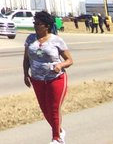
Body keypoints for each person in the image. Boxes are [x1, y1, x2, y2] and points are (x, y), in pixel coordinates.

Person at [23, 10, 73, 144]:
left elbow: (69, 60)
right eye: (34, 23)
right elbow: (26, 59)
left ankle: (56, 138)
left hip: (56, 78)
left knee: (54, 108)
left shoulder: (57, 40)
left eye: (38, 23)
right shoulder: (30, 39)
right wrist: (25, 74)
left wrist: (60, 65)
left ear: (46, 26)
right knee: (45, 110)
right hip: (37, 80)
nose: (35, 25)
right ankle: (60, 131)